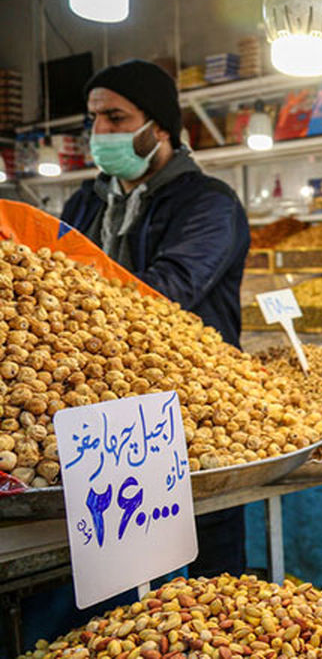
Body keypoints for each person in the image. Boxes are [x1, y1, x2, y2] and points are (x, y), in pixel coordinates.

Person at [60, 59, 250, 579]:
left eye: (117, 119)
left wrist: (69, 304)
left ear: (159, 126)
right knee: (122, 574)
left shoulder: (208, 204)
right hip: (108, 418)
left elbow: (168, 289)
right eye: (94, 118)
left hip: (198, 414)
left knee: (213, 573)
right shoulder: (85, 202)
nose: (99, 132)